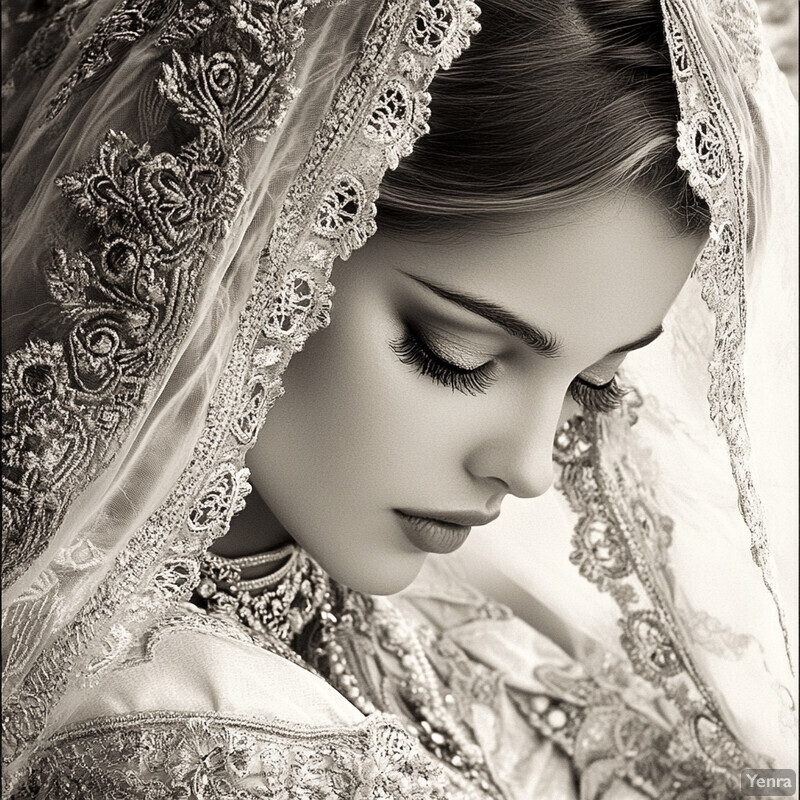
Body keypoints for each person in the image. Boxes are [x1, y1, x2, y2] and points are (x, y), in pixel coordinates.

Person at [1, 0, 796, 798]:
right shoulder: (175, 731)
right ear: (245, 233)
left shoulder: (437, 604)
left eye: (596, 383)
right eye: (457, 355)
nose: (530, 469)